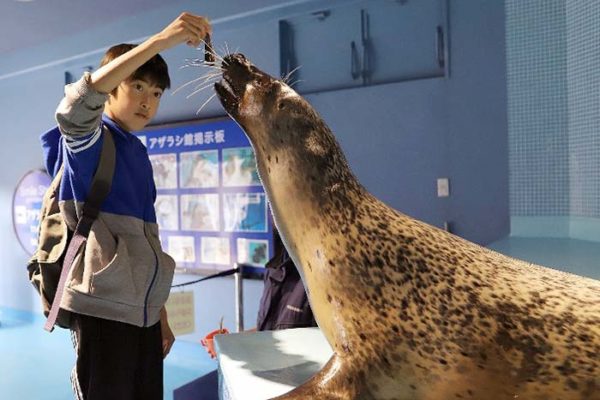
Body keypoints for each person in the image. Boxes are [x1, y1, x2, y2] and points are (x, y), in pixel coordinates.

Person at [44, 13, 211, 400]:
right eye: (137, 86)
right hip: (103, 312)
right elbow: (73, 110)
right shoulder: (91, 143)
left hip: (144, 316)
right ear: (113, 89)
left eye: (156, 93)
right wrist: (157, 43)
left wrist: (160, 314)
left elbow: (147, 242)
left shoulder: (138, 154)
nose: (147, 101)